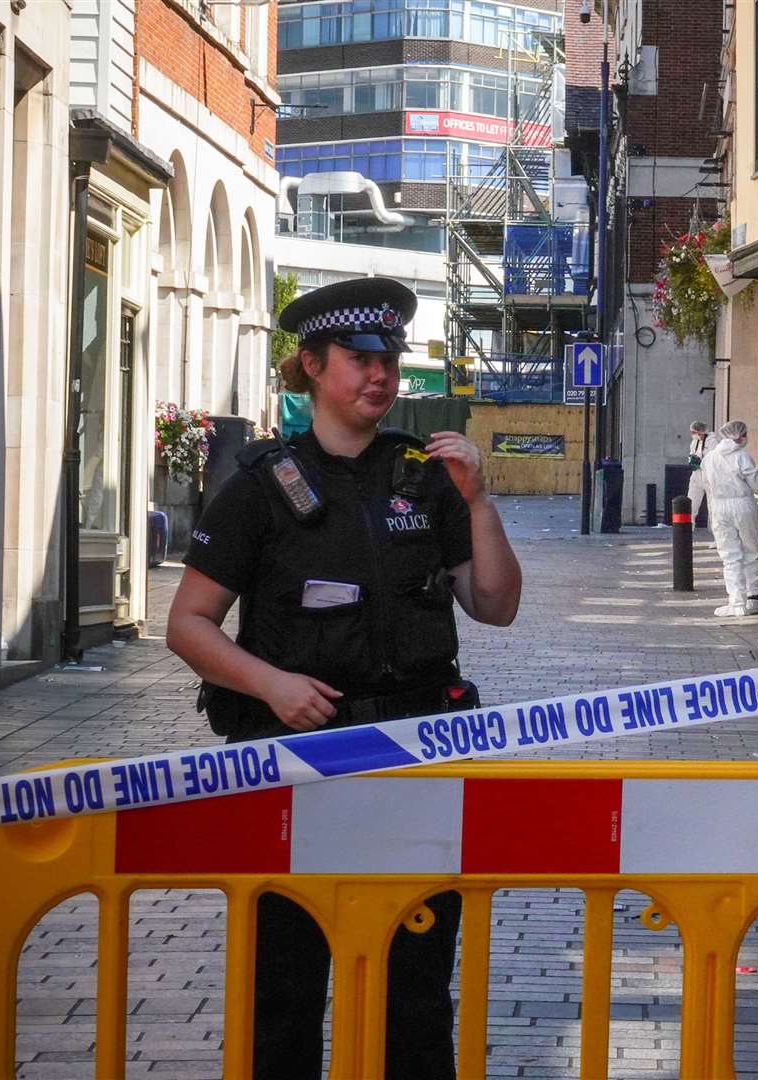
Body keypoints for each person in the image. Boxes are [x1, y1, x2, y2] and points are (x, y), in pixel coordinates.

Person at [166, 277, 522, 1078]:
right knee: (285, 986)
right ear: (313, 367)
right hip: (297, 764)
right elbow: (187, 625)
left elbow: (494, 606)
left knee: (416, 983)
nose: (380, 375)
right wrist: (270, 685)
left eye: (389, 359)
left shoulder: (425, 475)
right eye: (360, 359)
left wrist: (481, 500)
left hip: (415, 754)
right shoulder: (262, 485)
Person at [702, 419, 758, 617]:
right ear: (742, 436)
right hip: (742, 504)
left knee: (729, 556)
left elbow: (707, 485)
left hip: (719, 506)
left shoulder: (709, 458)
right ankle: (753, 598)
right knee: (750, 550)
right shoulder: (742, 457)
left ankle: (736, 602)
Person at [686, 420, 713, 522]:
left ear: (701, 431)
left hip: (709, 476)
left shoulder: (712, 441)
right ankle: (687, 530)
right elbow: (693, 454)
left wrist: (701, 462)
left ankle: (716, 532)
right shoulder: (694, 442)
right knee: (691, 504)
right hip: (696, 476)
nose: (692, 434)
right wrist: (692, 461)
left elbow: (712, 459)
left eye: (693, 432)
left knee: (712, 505)